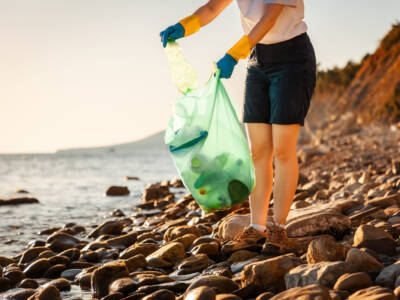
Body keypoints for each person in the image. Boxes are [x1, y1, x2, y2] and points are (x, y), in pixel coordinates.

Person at [160, 0, 316, 253]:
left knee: (283, 150)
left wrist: (233, 54)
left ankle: (278, 228)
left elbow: (270, 18)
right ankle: (257, 228)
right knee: (258, 152)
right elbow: (212, 8)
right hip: (257, 61)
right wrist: (184, 26)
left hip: (292, 61)